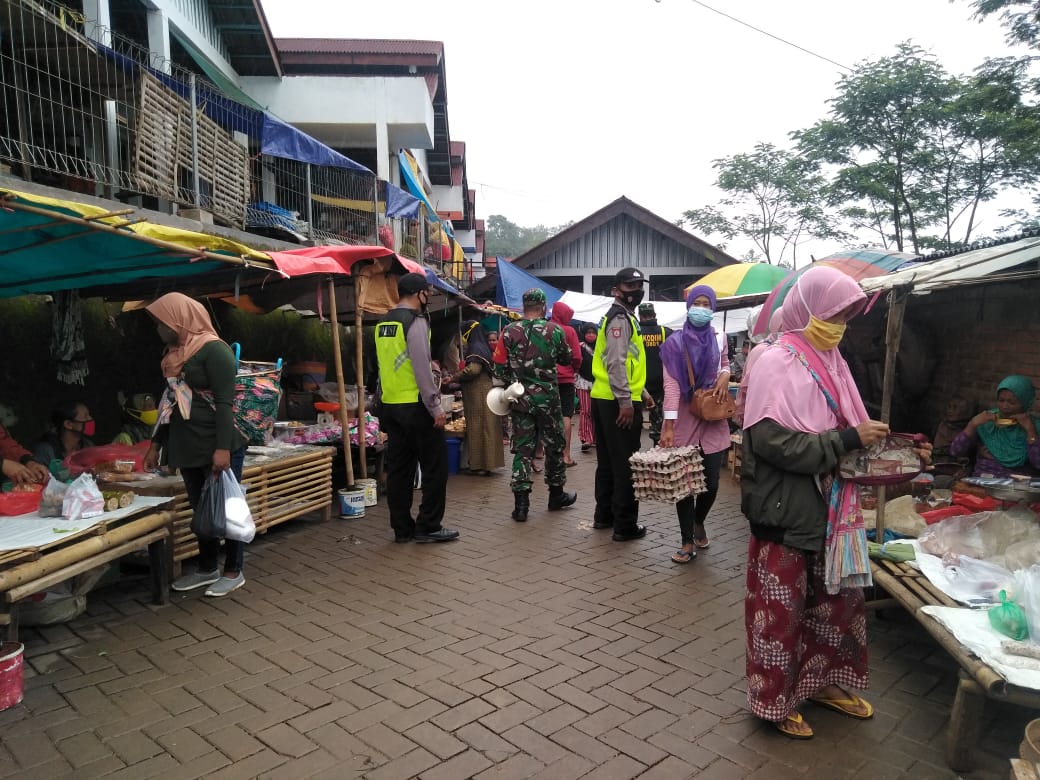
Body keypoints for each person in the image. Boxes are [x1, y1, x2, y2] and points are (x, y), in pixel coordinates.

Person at [741, 265, 929, 739]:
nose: (839, 324)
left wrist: (902, 449)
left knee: (834, 608)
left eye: (846, 316)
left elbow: (850, 438)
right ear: (807, 309)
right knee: (780, 613)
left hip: (833, 514)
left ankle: (821, 683)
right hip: (786, 512)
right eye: (833, 314)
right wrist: (846, 438)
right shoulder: (776, 360)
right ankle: (773, 699)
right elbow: (770, 443)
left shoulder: (833, 361)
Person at [142, 293, 249, 598]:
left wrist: (223, 449)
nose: (160, 329)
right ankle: (206, 568)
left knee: (228, 506)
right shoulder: (174, 354)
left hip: (218, 442)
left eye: (163, 322)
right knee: (202, 508)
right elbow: (169, 402)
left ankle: (233, 569)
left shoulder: (216, 351)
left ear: (181, 318)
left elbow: (226, 404)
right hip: (187, 445)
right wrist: (156, 444)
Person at [375, 272, 460, 544]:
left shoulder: (383, 323)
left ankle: (402, 529)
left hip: (391, 405)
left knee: (399, 470)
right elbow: (422, 369)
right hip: (416, 406)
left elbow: (381, 368)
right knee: (435, 468)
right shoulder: (416, 321)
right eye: (427, 294)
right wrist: (436, 408)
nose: (428, 299)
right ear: (419, 294)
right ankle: (428, 525)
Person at [658, 285, 730, 562]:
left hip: (712, 418)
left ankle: (699, 521)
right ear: (688, 306)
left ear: (712, 308)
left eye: (706, 303)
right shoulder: (675, 343)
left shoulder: (720, 337)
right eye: (696, 303)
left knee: (711, 484)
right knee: (685, 484)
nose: (701, 308)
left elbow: (725, 364)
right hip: (685, 420)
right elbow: (671, 387)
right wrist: (669, 425)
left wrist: (725, 375)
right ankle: (687, 540)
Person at [493, 288, 577, 522]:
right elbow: (566, 359)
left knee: (523, 449)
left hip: (520, 400)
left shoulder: (508, 331)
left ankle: (521, 506)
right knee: (554, 446)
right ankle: (556, 495)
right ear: (542, 307)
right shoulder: (554, 330)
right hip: (549, 400)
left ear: (523, 306)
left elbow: (498, 367)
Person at [591, 267, 654, 542]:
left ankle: (604, 516)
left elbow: (629, 360)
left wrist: (644, 391)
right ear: (616, 290)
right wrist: (627, 401)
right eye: (630, 286)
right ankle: (625, 525)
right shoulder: (620, 318)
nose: (636, 291)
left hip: (607, 397)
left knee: (607, 463)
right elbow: (616, 362)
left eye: (639, 285)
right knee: (625, 465)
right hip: (617, 402)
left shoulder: (623, 316)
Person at [949, 375, 1040, 477]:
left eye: (1012, 402)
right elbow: (955, 451)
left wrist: (1030, 430)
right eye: (1001, 400)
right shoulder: (987, 420)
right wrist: (972, 424)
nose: (1005, 406)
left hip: (1015, 487)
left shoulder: (1035, 426)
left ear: (1025, 403)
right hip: (981, 480)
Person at [445, 321, 504, 475]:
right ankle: (487, 463)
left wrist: (454, 377)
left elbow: (473, 369)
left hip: (478, 394)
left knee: (480, 427)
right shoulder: (483, 347)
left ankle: (481, 465)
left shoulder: (475, 348)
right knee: (488, 427)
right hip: (485, 392)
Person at [548, 300, 583, 467]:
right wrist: (573, 369)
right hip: (566, 379)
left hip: (545, 378)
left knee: (544, 415)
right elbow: (577, 357)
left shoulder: (545, 328)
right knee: (566, 415)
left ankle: (540, 453)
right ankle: (566, 455)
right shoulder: (569, 330)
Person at [638, 302, 672, 446]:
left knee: (634, 422)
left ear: (639, 315)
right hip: (660, 384)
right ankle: (657, 456)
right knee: (658, 424)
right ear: (655, 315)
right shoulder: (666, 332)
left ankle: (633, 456)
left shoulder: (635, 332)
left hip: (638, 384)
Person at [33, 401, 96, 468]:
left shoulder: (88, 445)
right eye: (85, 416)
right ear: (68, 424)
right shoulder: (46, 450)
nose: (90, 419)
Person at [575, 324, 597, 453]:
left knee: (595, 411)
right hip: (583, 382)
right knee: (586, 411)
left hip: (598, 383)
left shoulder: (600, 347)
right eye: (588, 332)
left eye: (593, 332)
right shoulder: (580, 347)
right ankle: (585, 438)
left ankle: (594, 438)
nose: (591, 335)